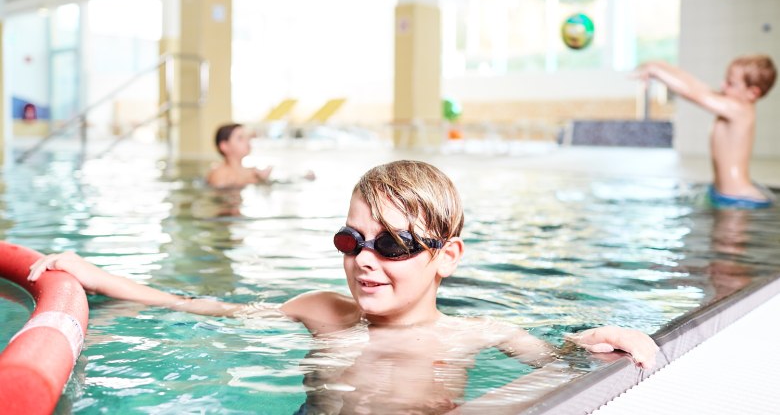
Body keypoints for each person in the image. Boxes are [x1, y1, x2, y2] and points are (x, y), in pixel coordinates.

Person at [28, 160, 658, 413]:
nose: (365, 261)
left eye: (393, 245)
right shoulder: (322, 311)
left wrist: (596, 340)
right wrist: (94, 276)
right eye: (351, 240)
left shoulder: (480, 334)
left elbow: (562, 365)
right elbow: (204, 308)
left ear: (447, 258)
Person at [633, 54, 777, 208]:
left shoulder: (740, 110)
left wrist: (657, 72)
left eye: (730, 83)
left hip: (738, 198)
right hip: (725, 194)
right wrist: (662, 65)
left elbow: (694, 94)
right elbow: (696, 85)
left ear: (752, 93)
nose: (723, 85)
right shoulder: (732, 104)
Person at [206, 123, 275, 189]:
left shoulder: (253, 171)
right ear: (224, 146)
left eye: (247, 137)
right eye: (240, 138)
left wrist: (263, 179)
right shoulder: (219, 175)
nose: (247, 141)